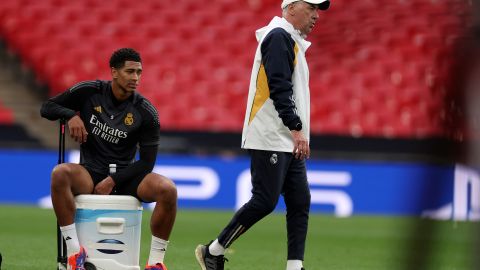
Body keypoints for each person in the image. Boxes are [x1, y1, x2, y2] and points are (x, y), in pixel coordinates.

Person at [194, 1, 330, 270]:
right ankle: (213, 250)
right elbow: (279, 87)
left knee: (300, 201)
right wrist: (296, 128)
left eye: (317, 10)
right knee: (264, 201)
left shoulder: (288, 39)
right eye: (311, 8)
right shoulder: (278, 37)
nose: (316, 15)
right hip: (270, 134)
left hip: (286, 137)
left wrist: (295, 132)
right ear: (291, 8)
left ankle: (294, 266)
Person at [40, 48, 177, 270]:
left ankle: (156, 262)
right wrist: (71, 115)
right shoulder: (89, 92)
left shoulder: (145, 111)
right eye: (130, 71)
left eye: (139, 72)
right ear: (114, 72)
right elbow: (47, 107)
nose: (135, 78)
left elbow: (146, 163)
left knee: (168, 189)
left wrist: (113, 180)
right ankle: (75, 254)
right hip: (90, 172)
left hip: (127, 176)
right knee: (60, 173)